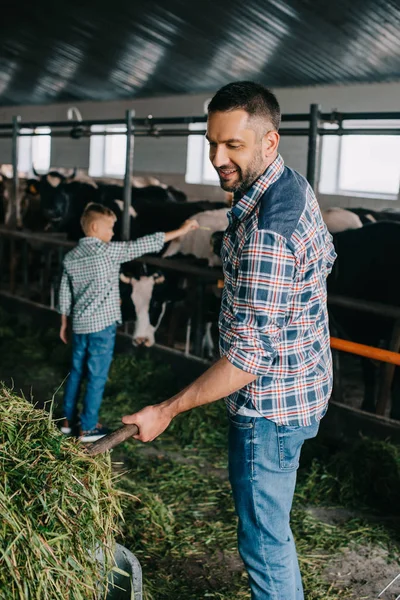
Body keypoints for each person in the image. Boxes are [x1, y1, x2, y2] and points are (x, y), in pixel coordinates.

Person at [122, 81, 337, 599]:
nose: (218, 158)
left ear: (269, 142)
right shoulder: (292, 186)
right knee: (271, 532)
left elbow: (245, 360)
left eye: (233, 145)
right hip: (303, 383)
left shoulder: (269, 232)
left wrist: (167, 409)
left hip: (268, 407)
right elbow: (325, 260)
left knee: (264, 543)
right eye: (212, 142)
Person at [58, 202, 199, 442]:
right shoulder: (108, 251)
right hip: (102, 328)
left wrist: (63, 324)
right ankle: (89, 427)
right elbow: (143, 244)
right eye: (110, 228)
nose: (113, 234)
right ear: (94, 227)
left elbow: (64, 294)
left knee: (76, 371)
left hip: (79, 325)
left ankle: (67, 421)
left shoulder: (70, 257)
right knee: (96, 375)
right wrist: (181, 231)